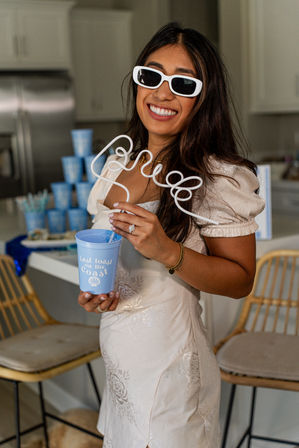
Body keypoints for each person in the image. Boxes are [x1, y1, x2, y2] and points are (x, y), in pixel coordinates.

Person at [78, 22, 265, 448]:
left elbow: (241, 280)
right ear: (138, 82)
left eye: (182, 83)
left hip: (173, 375)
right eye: (152, 75)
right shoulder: (116, 166)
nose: (162, 93)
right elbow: (119, 269)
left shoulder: (218, 179)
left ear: (204, 97)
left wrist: (167, 250)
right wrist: (100, 294)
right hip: (122, 370)